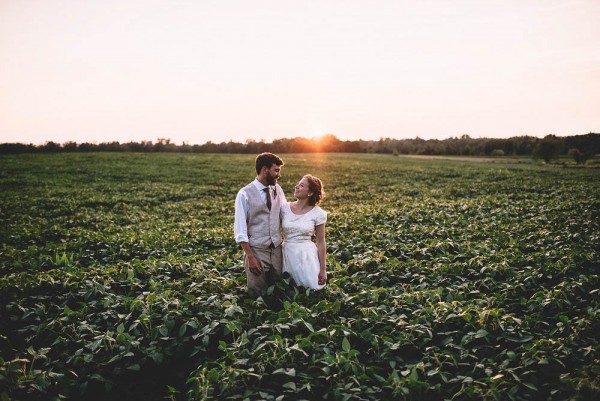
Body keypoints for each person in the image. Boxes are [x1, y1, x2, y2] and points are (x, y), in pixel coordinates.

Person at [234, 153, 286, 297]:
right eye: (276, 170)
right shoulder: (244, 194)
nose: (278, 175)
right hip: (256, 251)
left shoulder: (278, 190)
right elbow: (240, 229)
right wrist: (250, 257)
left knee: (278, 291)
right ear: (265, 170)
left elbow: (285, 214)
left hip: (276, 250)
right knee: (257, 294)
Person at [281, 175, 328, 289]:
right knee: (286, 289)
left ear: (310, 193)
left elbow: (321, 242)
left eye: (301, 185)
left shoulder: (318, 213)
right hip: (285, 253)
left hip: (306, 255)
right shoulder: (284, 208)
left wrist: (323, 269)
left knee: (310, 289)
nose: (296, 186)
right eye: (298, 184)